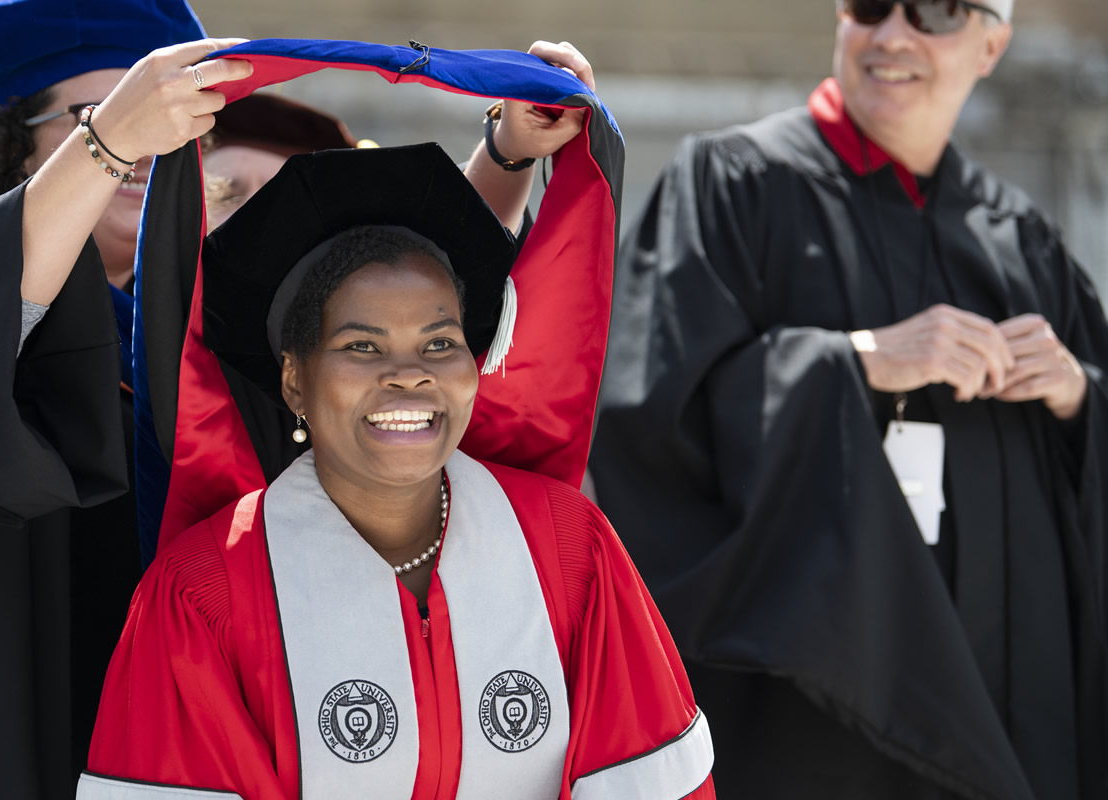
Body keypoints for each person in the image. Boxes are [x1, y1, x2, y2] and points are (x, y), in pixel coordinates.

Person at [0, 0, 604, 796]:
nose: (145, 143)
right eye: (96, 112)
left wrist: (507, 156)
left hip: (216, 746)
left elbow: (400, 307)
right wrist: (110, 141)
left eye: (167, 117)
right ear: (17, 152)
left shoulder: (212, 324)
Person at [80, 143, 715, 800]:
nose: (410, 373)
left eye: (441, 343)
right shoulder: (204, 592)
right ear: (296, 380)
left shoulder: (567, 545)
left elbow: (652, 778)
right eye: (362, 346)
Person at [590, 0, 1108, 798]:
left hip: (1010, 720)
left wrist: (1080, 402)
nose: (893, 35)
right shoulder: (733, 189)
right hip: (811, 731)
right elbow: (645, 419)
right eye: (870, 6)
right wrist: (856, 361)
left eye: (934, 11)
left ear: (991, 43)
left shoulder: (1023, 241)